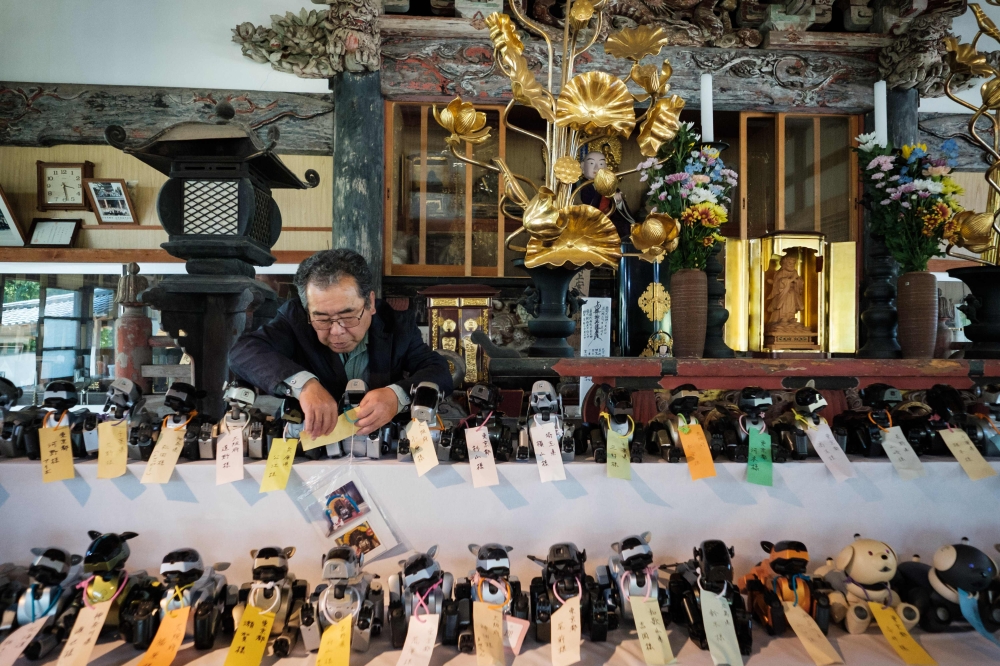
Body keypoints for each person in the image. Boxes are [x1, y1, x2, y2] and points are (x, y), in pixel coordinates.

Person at [229, 249, 453, 438]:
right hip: (306, 442)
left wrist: (396, 396)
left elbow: (438, 371)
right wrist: (304, 386)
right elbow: (243, 353)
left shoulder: (397, 326)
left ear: (370, 303)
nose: (336, 331)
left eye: (348, 317)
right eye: (322, 319)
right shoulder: (294, 319)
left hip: (379, 445)